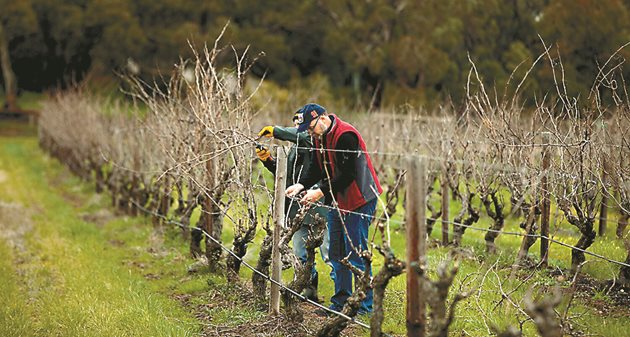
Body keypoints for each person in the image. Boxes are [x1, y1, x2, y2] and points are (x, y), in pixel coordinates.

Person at [285, 103, 382, 315]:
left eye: (310, 128)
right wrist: (301, 185)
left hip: (359, 199)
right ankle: (340, 304)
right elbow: (316, 168)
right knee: (336, 253)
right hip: (338, 200)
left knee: (355, 252)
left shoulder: (346, 135)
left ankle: (365, 307)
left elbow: (347, 175)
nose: (310, 133)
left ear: (321, 118)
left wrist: (319, 192)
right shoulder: (319, 138)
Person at [255, 118, 332, 301]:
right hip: (296, 210)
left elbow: (302, 136)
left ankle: (344, 300)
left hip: (319, 208)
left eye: (301, 121)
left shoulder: (311, 141)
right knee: (300, 254)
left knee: (330, 254)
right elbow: (287, 177)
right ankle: (309, 291)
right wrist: (268, 161)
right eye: (295, 121)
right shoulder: (293, 147)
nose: (298, 124)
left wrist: (276, 131)